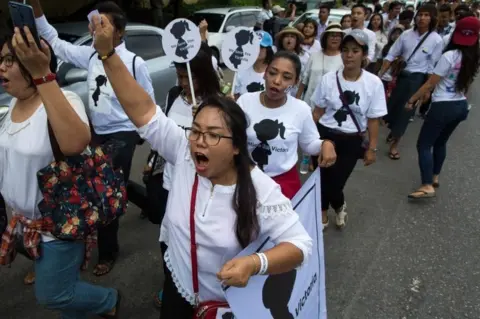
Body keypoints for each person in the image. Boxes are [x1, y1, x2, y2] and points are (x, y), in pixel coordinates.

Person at [90, 14, 313, 319]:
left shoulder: (260, 187)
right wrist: (107, 54)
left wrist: (254, 263)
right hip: (178, 287)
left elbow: (300, 245)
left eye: (213, 135)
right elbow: (142, 109)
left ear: (236, 146)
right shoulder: (182, 153)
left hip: (227, 306)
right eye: (195, 131)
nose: (199, 142)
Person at [0, 29, 120, 318]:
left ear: (31, 64)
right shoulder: (12, 104)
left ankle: (109, 299)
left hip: (59, 224)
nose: (1, 67)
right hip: (25, 225)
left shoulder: (63, 99)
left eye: (8, 60)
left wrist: (44, 76)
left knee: (52, 294)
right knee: (65, 288)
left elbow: (75, 143)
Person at [31, 0, 154, 277]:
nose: (95, 29)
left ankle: (108, 251)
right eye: (94, 23)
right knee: (112, 181)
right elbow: (52, 38)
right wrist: (36, 8)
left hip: (124, 131)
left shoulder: (135, 63)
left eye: (102, 24)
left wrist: (142, 134)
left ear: (119, 33)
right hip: (97, 133)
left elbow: (148, 102)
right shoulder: (89, 56)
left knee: (103, 190)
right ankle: (150, 203)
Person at [150, 42, 222, 308]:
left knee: (197, 241)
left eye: (187, 77)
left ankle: (203, 290)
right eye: (179, 76)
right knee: (168, 237)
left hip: (202, 187)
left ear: (202, 75)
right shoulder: (171, 95)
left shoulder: (217, 105)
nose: (182, 83)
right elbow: (162, 135)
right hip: (171, 182)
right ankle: (173, 282)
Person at [311, 30, 387, 230]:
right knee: (321, 177)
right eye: (345, 50)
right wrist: (307, 138)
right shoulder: (328, 79)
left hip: (351, 140)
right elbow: (317, 112)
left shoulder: (373, 83)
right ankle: (323, 213)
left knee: (336, 182)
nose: (349, 55)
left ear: (364, 54)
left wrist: (372, 148)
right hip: (324, 134)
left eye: (355, 50)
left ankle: (339, 204)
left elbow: (373, 119)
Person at [236, 51, 337, 199]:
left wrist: (326, 144)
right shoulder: (245, 101)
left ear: (295, 82)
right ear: (265, 74)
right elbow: (232, 137)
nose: (277, 81)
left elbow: (309, 143)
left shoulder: (301, 109)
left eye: (286, 77)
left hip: (282, 186)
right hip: (245, 178)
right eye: (272, 73)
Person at [406, 17, 480, 199]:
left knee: (424, 144)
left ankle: (427, 184)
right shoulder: (474, 57)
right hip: (461, 105)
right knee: (441, 142)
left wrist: (412, 100)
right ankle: (435, 175)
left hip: (442, 106)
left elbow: (430, 84)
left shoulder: (449, 56)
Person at [378, 4, 443, 160]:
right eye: (420, 14)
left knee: (406, 112)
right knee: (391, 110)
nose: (422, 18)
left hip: (417, 80)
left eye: (427, 15)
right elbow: (391, 54)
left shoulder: (436, 39)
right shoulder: (406, 34)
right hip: (401, 77)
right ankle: (394, 130)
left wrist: (427, 90)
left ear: (432, 18)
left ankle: (395, 144)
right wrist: (379, 75)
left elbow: (432, 67)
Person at [297, 23, 344, 108]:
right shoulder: (314, 56)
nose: (335, 39)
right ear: (326, 38)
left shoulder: (344, 59)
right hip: (310, 102)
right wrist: (297, 99)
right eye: (332, 36)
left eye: (338, 36)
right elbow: (304, 80)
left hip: (332, 106)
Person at [233, 31, 274, 99]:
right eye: (253, 45)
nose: (256, 49)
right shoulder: (241, 69)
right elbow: (236, 97)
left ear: (268, 50)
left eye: (261, 46)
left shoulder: (274, 73)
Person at [274, 27, 310, 97]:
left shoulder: (304, 56)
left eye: (292, 37)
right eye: (286, 36)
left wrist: (298, 96)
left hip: (295, 93)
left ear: (296, 41)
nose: (289, 39)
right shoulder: (274, 53)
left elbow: (305, 78)